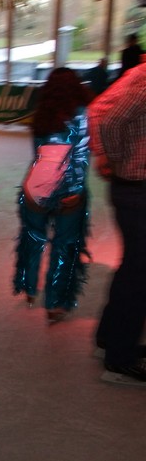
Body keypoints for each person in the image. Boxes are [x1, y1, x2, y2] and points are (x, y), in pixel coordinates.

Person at [13, 68, 91, 324]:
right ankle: (55, 303)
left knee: (33, 236)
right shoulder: (81, 114)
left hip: (35, 187)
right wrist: (75, 190)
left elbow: (39, 155)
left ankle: (29, 288)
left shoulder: (42, 115)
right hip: (67, 189)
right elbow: (80, 155)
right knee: (64, 245)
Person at [89, 63, 146, 385]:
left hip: (133, 187)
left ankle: (112, 339)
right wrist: (112, 157)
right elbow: (108, 119)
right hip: (137, 187)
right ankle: (120, 356)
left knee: (133, 269)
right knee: (139, 274)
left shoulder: (139, 74)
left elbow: (99, 108)